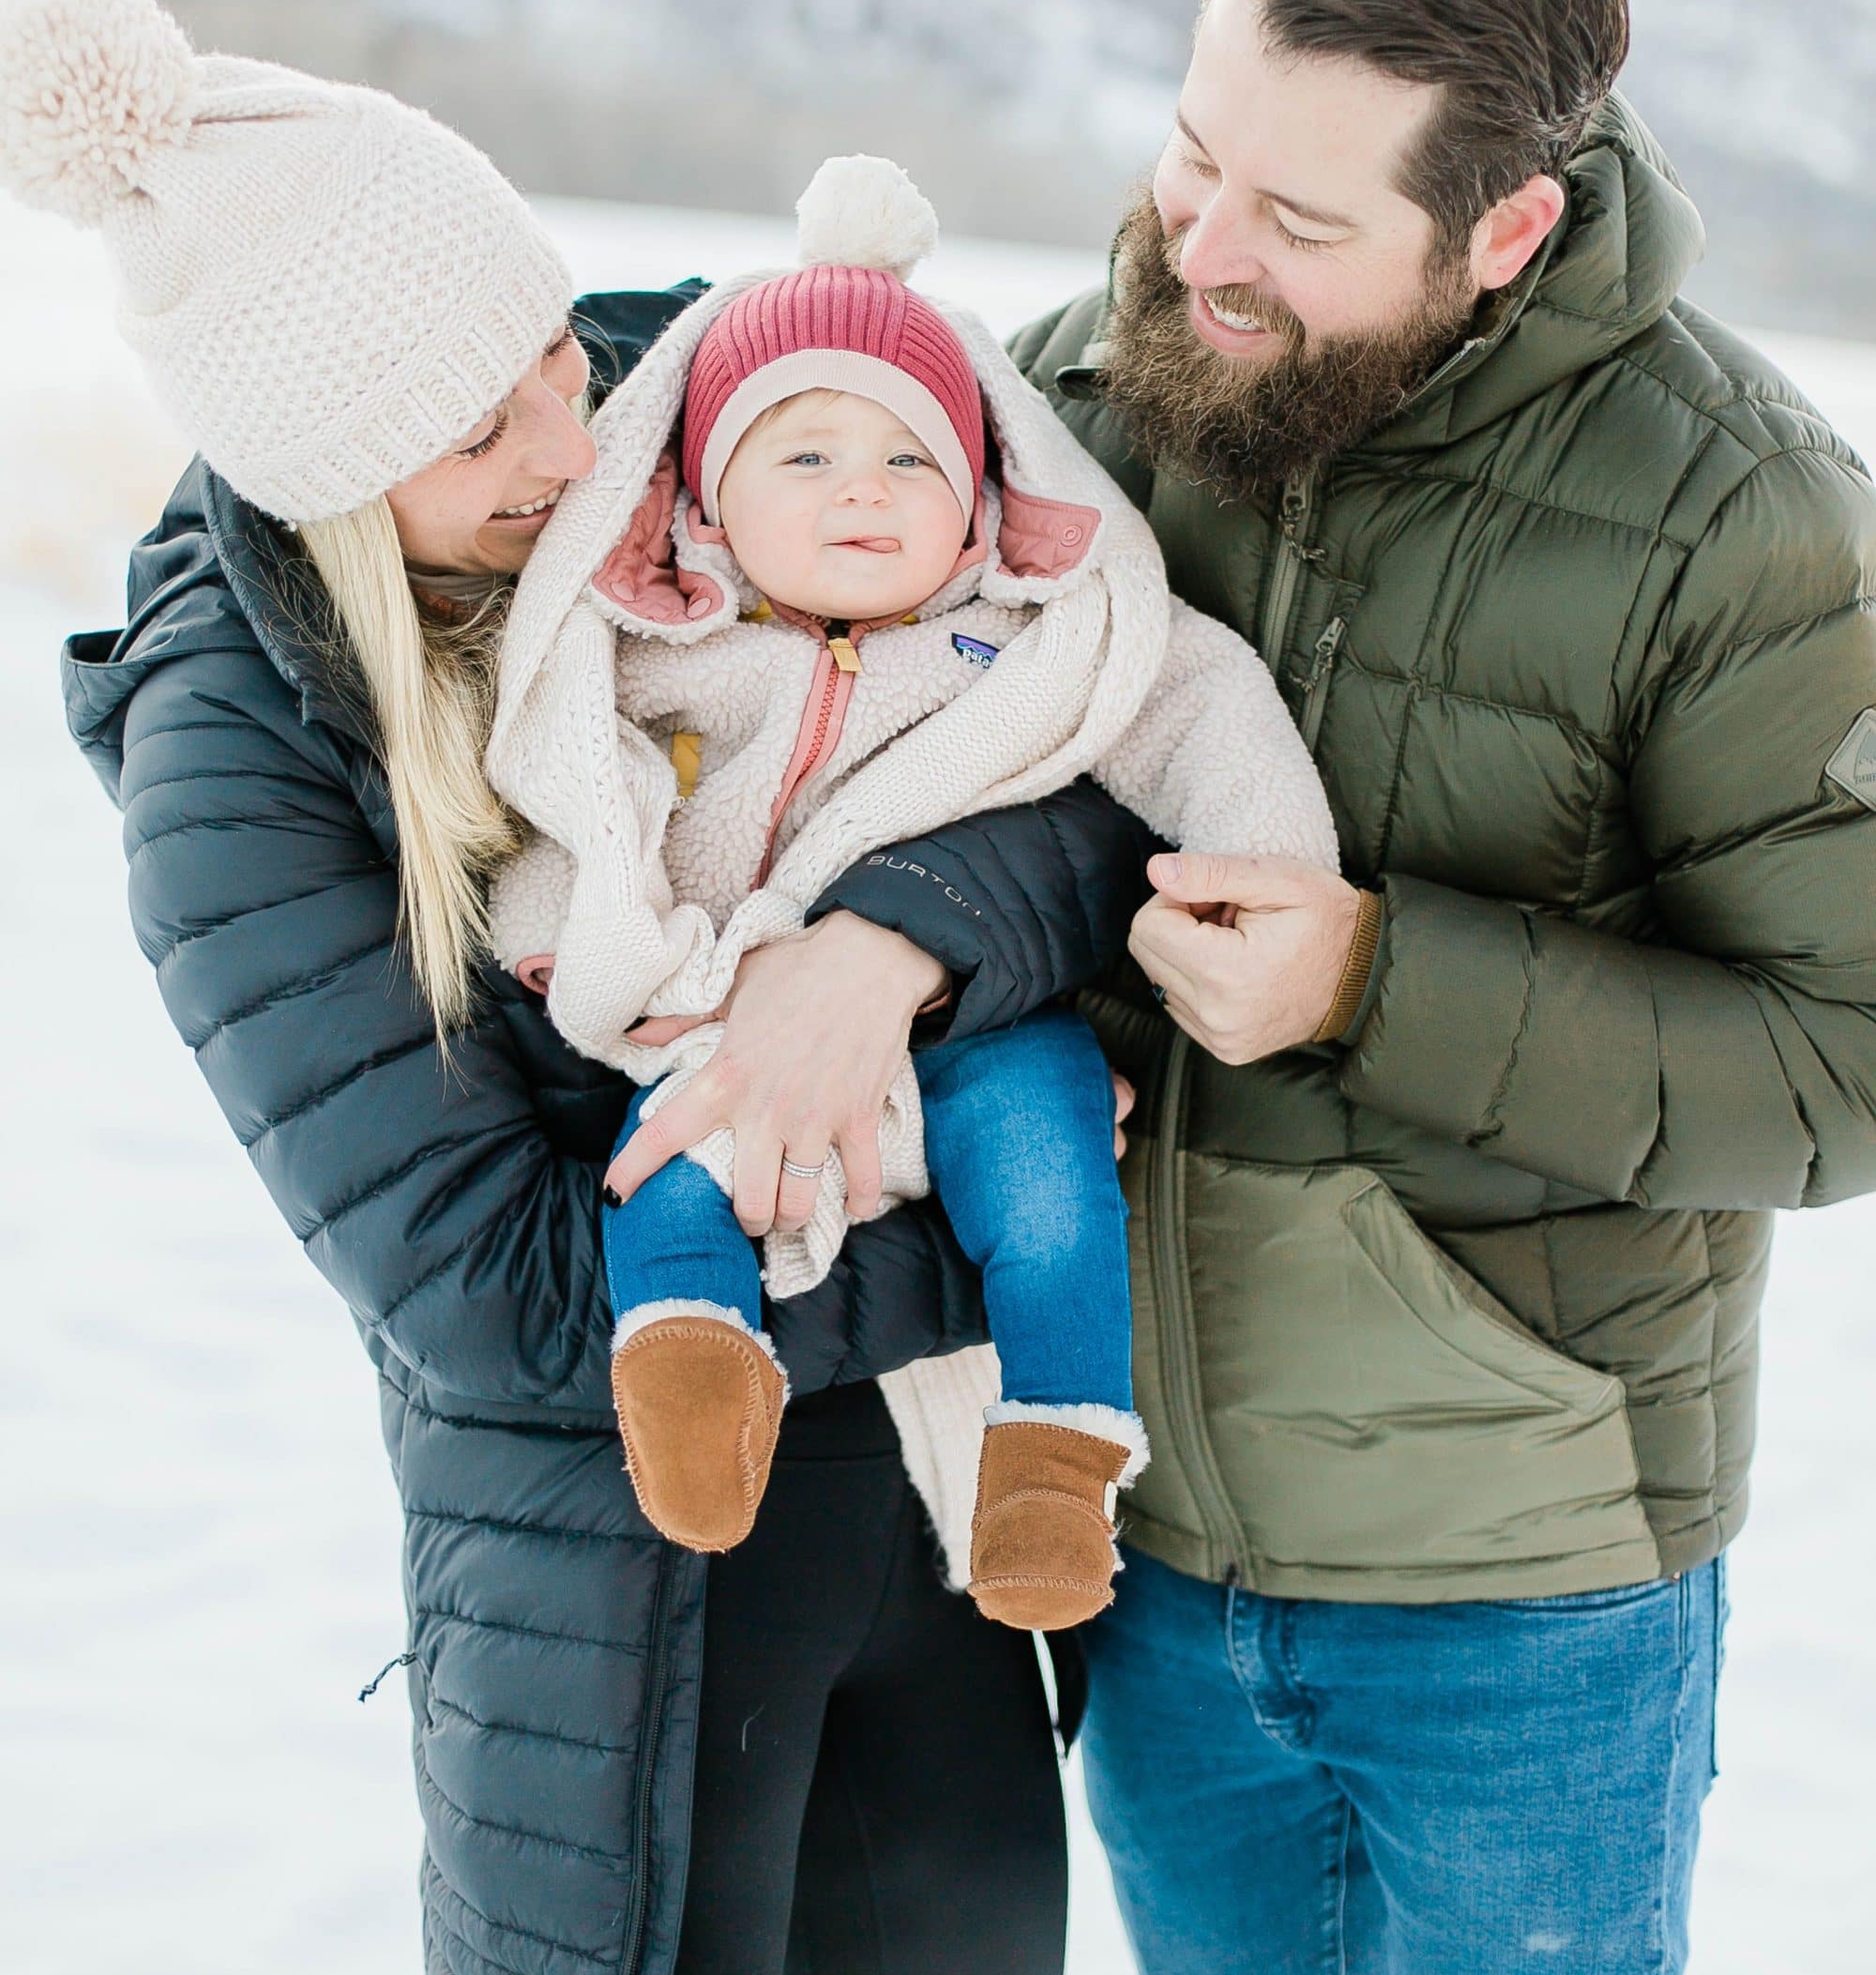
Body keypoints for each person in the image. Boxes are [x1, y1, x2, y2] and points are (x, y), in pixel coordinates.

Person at [16, 0, 1155, 1975]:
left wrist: (883, 945)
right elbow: (509, 1301)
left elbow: (1076, 755)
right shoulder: (229, 768)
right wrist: (978, 1262)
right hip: (614, 1630)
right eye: (488, 430)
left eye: (555, 346)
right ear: (338, 481)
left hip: (923, 1566)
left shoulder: (708, 406)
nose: (577, 437)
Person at [987, 0, 1876, 1975]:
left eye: (1301, 220)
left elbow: (1843, 1059)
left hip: (1534, 1571)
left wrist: (1378, 978)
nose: (1207, 248)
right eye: (1194, 156)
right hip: (1154, 1522)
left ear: (1505, 233)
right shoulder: (1070, 393)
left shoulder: (1741, 517)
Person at [481, 153, 1338, 1626]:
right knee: (659, 1172)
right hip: (731, 1025)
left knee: (1057, 1177)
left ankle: (1055, 1467)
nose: (861, 490)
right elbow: (578, 805)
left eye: (909, 460)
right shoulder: (659, 648)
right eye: (802, 456)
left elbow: (1197, 701)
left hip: (978, 1032)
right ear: (703, 503)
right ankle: (696, 1374)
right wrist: (580, 946)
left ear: (983, 495)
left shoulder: (1026, 634)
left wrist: (1270, 866)